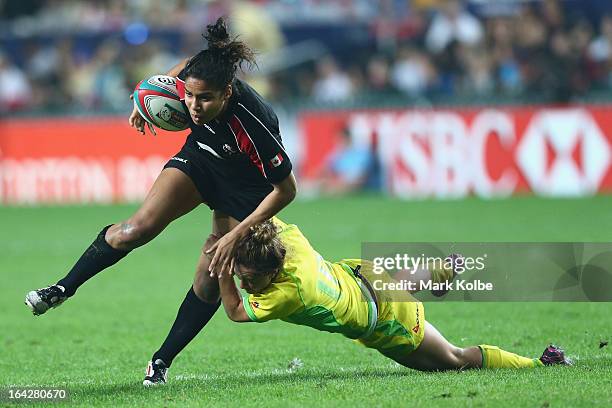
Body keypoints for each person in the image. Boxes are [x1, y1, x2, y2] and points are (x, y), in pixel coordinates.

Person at [25, 18, 298, 386]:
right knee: (136, 229)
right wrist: (146, 99)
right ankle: (62, 288)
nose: (194, 106)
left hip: (246, 189)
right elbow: (179, 75)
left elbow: (286, 190)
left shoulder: (256, 124)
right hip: (201, 160)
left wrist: (236, 234)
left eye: (204, 99)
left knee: (210, 274)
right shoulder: (195, 81)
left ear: (227, 93)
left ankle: (160, 362)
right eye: (190, 96)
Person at [216, 218, 571, 371]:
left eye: (247, 278)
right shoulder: (286, 240)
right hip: (361, 277)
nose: (243, 283)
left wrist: (217, 260)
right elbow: (259, 211)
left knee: (452, 361)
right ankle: (438, 270)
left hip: (384, 319)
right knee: (394, 286)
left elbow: (234, 311)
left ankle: (542, 363)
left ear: (270, 272)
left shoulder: (289, 293)